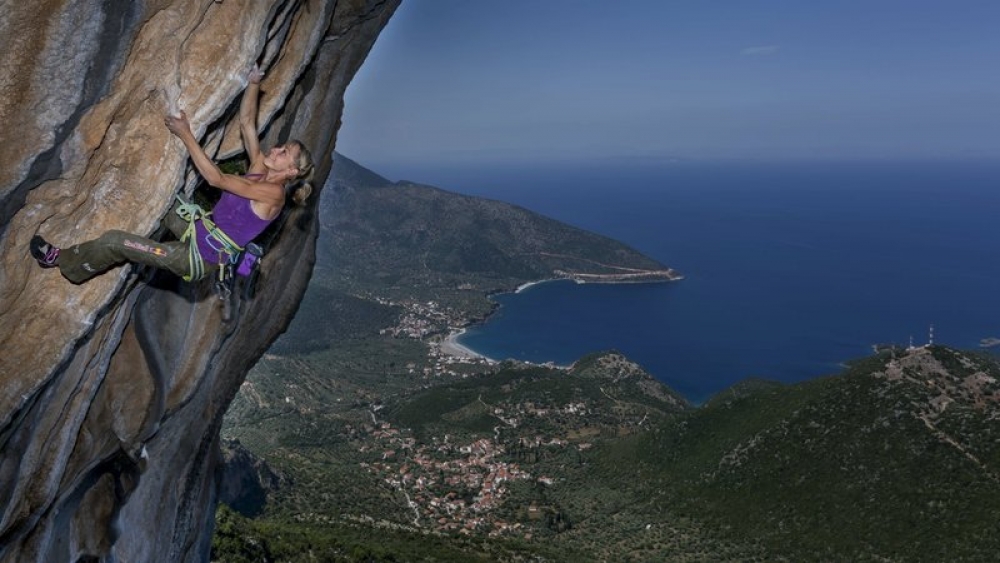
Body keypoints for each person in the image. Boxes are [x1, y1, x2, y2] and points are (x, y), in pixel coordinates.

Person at [30, 65, 314, 284]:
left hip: (198, 259)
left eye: (283, 153)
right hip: (198, 227)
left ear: (290, 171)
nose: (275, 150)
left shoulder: (274, 195)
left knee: (115, 242)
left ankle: (61, 260)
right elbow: (247, 124)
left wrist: (186, 135)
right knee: (155, 186)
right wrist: (254, 83)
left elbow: (217, 179)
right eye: (281, 146)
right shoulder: (259, 171)